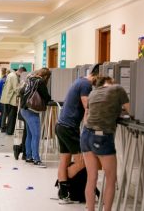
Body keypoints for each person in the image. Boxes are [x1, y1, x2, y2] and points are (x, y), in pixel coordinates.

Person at [81, 76, 129, 211]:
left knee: (92, 178)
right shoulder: (118, 89)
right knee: (110, 179)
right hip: (102, 136)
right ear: (111, 82)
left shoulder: (92, 93)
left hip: (86, 135)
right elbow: (132, 111)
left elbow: (87, 116)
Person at [55, 63, 100, 204]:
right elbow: (88, 106)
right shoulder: (86, 85)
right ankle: (62, 183)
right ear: (97, 75)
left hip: (61, 125)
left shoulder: (79, 80)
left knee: (65, 160)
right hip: (69, 127)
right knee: (83, 161)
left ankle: (64, 191)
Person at [19, 68, 51, 167]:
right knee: (36, 135)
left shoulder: (29, 78)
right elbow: (46, 96)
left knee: (30, 134)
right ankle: (36, 159)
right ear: (46, 76)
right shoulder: (40, 82)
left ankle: (28, 156)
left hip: (24, 109)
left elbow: (21, 92)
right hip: (32, 110)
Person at [0, 67, 27, 135]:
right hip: (11, 99)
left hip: (7, 98)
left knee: (7, 114)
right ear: (21, 72)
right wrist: (23, 88)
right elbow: (16, 89)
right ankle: (9, 131)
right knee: (12, 116)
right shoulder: (14, 77)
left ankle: (4, 128)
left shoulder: (10, 74)